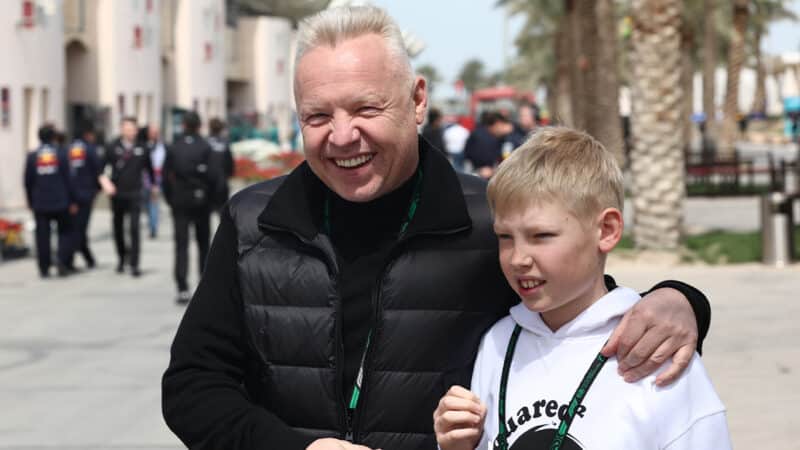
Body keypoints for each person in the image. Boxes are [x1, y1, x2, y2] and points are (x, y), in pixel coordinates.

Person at [162, 6, 711, 450]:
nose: (343, 135)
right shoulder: (252, 222)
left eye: (365, 108)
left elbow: (579, 310)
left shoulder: (489, 223)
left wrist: (679, 299)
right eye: (318, 116)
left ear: (417, 100)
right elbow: (191, 387)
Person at [434, 127, 731, 450]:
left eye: (541, 236)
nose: (518, 258)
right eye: (505, 237)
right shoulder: (497, 343)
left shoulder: (653, 350)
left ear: (607, 230)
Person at [162, 112, 219, 304]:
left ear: (184, 125)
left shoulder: (174, 147)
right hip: (201, 200)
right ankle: (204, 285)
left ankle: (181, 286)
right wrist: (212, 201)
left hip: (179, 200)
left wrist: (170, 198)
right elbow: (213, 177)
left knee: (181, 244)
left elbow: (165, 177)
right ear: (199, 125)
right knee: (203, 243)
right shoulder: (205, 147)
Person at [24, 124, 77, 278]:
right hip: (60, 200)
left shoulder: (33, 156)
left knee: (42, 236)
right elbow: (69, 179)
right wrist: (73, 200)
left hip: (40, 202)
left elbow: (28, 181)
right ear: (53, 137)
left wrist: (29, 200)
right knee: (64, 232)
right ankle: (61, 261)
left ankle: (44, 267)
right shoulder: (61, 154)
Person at [104, 116, 155, 277]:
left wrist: (153, 187)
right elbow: (100, 169)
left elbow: (150, 170)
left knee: (134, 228)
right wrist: (106, 184)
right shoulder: (112, 146)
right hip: (117, 193)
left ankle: (134, 264)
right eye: (127, 129)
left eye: (133, 129)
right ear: (121, 129)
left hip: (135, 193)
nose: (130, 132)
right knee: (118, 228)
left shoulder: (142, 147)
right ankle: (121, 257)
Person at [66, 121, 103, 269]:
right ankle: (71, 259)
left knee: (74, 226)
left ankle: (84, 258)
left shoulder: (68, 149)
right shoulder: (90, 149)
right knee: (80, 229)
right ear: (88, 134)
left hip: (70, 195)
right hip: (86, 194)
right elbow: (98, 171)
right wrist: (97, 190)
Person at [464, 112, 514, 179]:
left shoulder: (481, 132)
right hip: (480, 174)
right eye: (502, 126)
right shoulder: (484, 138)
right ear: (497, 124)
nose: (504, 129)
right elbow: (486, 159)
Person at [142, 124, 166, 239]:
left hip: (156, 177)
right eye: (152, 132)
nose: (154, 134)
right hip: (144, 177)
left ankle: (153, 228)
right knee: (146, 204)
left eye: (156, 132)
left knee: (153, 204)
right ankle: (150, 224)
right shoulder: (143, 145)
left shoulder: (162, 146)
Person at [207, 117, 235, 213]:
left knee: (206, 214)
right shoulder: (225, 143)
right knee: (222, 212)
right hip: (221, 181)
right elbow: (230, 163)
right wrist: (229, 175)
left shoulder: (205, 142)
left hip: (207, 182)